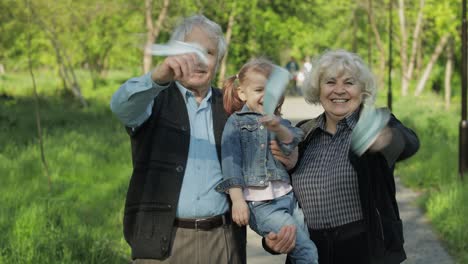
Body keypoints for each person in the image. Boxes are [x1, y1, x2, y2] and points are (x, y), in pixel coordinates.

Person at [110, 15, 247, 263]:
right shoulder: (153, 98)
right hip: (163, 242)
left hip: (222, 240)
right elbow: (121, 107)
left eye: (209, 52)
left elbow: (254, 166)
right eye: (191, 51)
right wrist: (158, 77)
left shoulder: (230, 107)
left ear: (218, 61)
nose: (200, 60)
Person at [263, 50, 420, 264]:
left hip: (364, 252)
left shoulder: (373, 124)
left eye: (349, 82)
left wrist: (385, 139)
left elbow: (409, 143)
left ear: (362, 90)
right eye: (330, 82)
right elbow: (276, 194)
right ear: (318, 89)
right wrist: (272, 239)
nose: (339, 90)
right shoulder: (303, 134)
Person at [216, 58, 318, 264]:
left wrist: (278, 128)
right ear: (242, 93)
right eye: (259, 90)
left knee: (304, 245)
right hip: (261, 204)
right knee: (307, 251)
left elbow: (291, 143)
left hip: (288, 199)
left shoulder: (280, 121)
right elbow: (230, 163)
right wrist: (237, 200)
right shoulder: (236, 123)